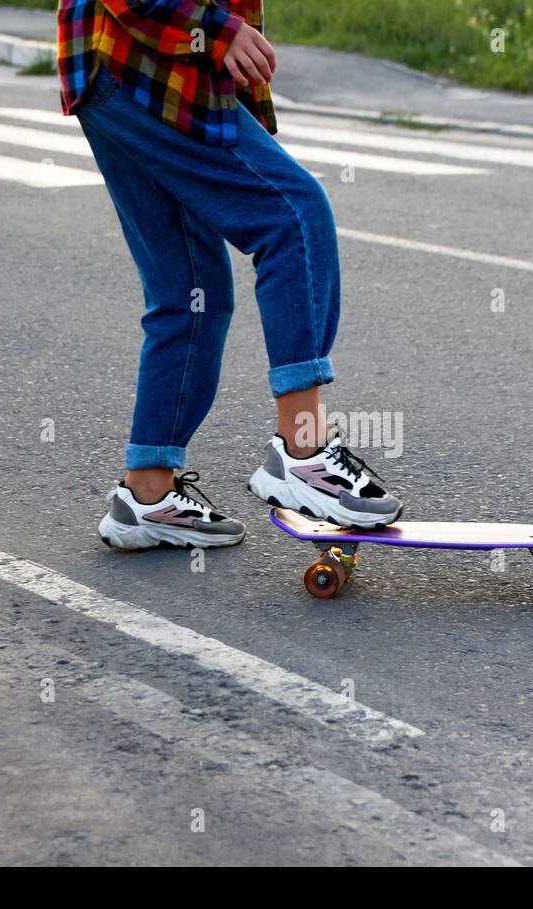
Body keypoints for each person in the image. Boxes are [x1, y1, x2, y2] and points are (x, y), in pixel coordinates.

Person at [57, 0, 403, 550]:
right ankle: (303, 452)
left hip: (121, 72)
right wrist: (216, 31)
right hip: (146, 63)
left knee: (191, 292)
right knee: (294, 218)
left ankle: (148, 495)